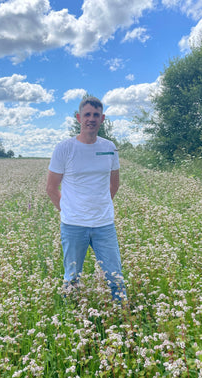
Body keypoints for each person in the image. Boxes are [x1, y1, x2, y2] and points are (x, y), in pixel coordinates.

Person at [46, 96, 126, 301]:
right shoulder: (64, 148)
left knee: (115, 277)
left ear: (103, 119)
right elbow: (51, 188)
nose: (91, 119)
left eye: (96, 115)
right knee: (72, 277)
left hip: (104, 224)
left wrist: (100, 206)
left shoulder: (110, 147)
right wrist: (70, 211)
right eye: (87, 114)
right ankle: (70, 318)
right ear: (78, 117)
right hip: (73, 225)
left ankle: (123, 316)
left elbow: (114, 184)